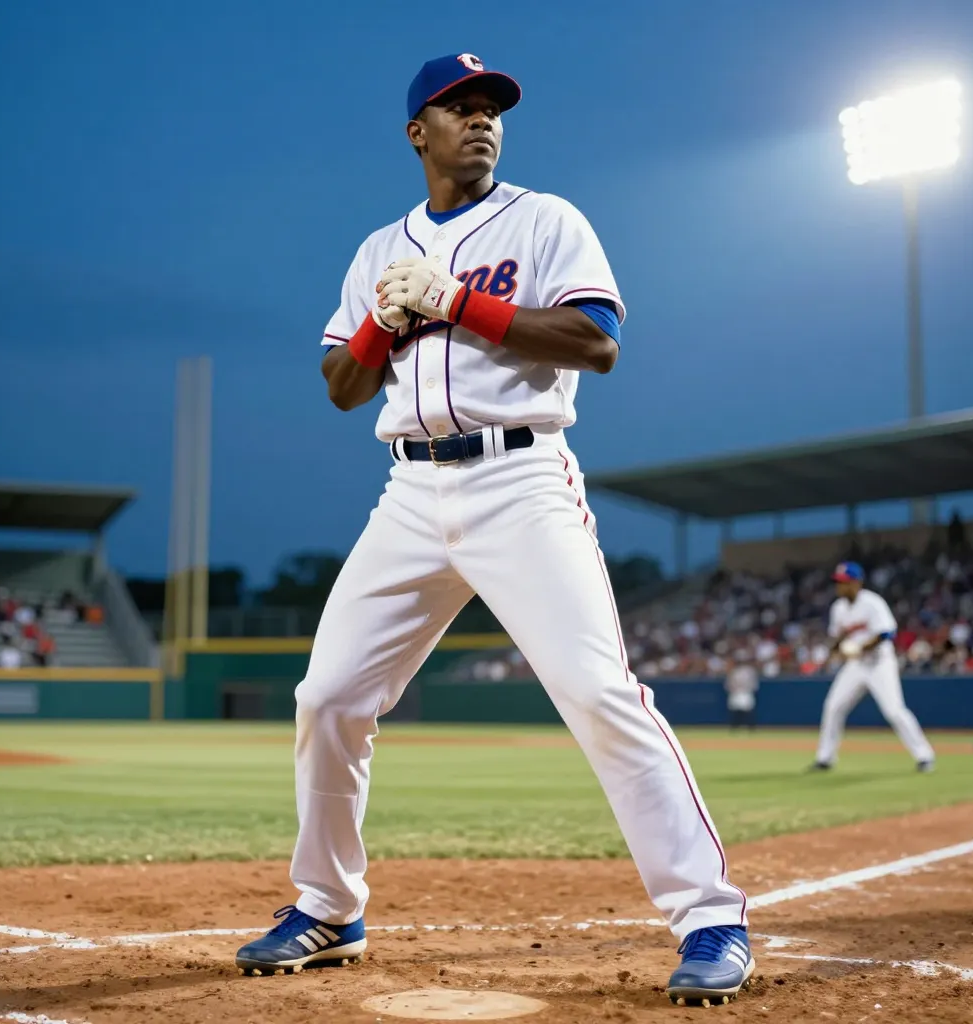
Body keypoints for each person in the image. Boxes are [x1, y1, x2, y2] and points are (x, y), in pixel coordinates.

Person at [235, 53, 752, 1006]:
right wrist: (382, 326)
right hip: (410, 494)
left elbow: (597, 342)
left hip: (522, 481)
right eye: (458, 107)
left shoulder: (547, 219)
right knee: (329, 696)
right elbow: (343, 389)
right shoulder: (374, 251)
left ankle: (711, 916)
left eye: (492, 109)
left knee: (599, 692)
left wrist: (457, 302)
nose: (481, 120)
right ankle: (329, 906)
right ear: (415, 133)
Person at [810, 562, 936, 772]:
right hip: (855, 666)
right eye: (838, 583)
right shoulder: (838, 608)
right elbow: (838, 636)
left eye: (845, 583)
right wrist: (833, 651)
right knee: (833, 707)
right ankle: (825, 758)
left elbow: (887, 633)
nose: (840, 587)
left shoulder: (872, 602)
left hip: (880, 663)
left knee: (894, 711)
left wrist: (860, 647)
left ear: (857, 583)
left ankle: (925, 756)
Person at [724, 653, 758, 730]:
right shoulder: (733, 671)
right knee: (735, 712)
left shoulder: (750, 671)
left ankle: (751, 728)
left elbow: (754, 684)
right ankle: (734, 727)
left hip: (746, 692)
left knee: (748, 711)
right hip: (736, 693)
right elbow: (728, 684)